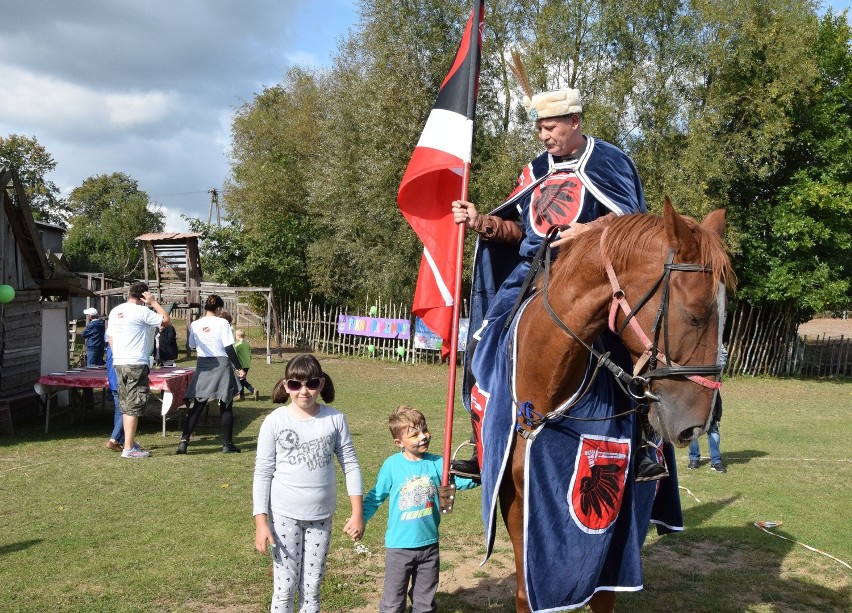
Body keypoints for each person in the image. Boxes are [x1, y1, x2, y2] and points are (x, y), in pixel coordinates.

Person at [448, 86, 663, 480]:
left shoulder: (609, 160)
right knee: (483, 341)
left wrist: (590, 230)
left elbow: (632, 223)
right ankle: (483, 444)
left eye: (551, 127)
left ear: (574, 122)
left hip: (594, 275)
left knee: (635, 345)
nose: (544, 136)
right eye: (540, 129)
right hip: (534, 271)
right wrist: (482, 222)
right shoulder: (535, 170)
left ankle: (644, 444)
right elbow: (518, 230)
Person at [253, 354, 364, 613]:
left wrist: (357, 512)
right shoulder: (275, 421)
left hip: (321, 516)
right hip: (284, 517)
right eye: (295, 384)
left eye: (311, 384)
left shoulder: (335, 419)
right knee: (284, 589)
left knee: (312, 588)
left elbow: (351, 464)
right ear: (285, 385)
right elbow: (262, 472)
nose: (304, 391)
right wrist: (261, 521)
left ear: (321, 384)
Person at [362, 405, 478, 613]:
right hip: (399, 548)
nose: (423, 437)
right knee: (393, 602)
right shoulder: (392, 466)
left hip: (429, 546)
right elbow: (375, 497)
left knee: (425, 602)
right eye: (414, 434)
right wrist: (359, 518)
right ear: (399, 443)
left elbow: (460, 482)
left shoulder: (438, 463)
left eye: (424, 430)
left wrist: (484, 477)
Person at [106, 281, 171, 459]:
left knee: (126, 405)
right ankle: (128, 449)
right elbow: (166, 320)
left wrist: (118, 355)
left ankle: (129, 442)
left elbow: (110, 338)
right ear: (144, 295)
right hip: (135, 362)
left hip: (118, 362)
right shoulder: (143, 311)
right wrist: (154, 303)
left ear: (129, 293)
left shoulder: (115, 311)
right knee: (134, 406)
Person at [176, 295, 245, 455]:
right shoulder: (222, 323)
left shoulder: (195, 323)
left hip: (203, 365)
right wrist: (239, 367)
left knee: (198, 404)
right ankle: (227, 444)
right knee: (226, 403)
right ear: (219, 309)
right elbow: (229, 348)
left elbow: (192, 345)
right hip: (221, 364)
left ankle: (184, 442)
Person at [688, 346, 728, 473]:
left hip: (710, 389)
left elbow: (723, 354)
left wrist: (715, 373)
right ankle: (694, 459)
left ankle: (716, 461)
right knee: (691, 426)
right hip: (692, 389)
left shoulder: (714, 337)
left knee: (713, 427)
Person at [104, 345, 125, 452]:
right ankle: (114, 439)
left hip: (113, 381)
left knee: (119, 411)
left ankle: (120, 440)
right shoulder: (120, 346)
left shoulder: (109, 347)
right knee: (126, 411)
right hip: (121, 381)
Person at [233, 329, 259, 401]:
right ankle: (242, 395)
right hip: (247, 364)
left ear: (237, 336)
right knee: (242, 379)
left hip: (241, 365)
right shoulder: (247, 343)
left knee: (240, 380)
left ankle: (252, 390)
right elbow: (250, 354)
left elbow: (233, 354)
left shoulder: (238, 345)